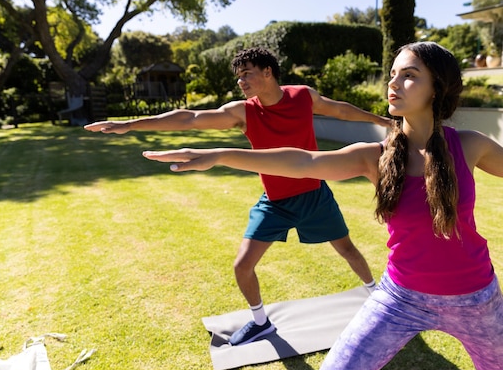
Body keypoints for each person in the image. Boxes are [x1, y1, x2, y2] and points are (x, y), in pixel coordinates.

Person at [141, 41, 503, 370]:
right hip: (400, 298)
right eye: (393, 75)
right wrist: (219, 153)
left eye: (409, 76)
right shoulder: (377, 155)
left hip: (476, 300)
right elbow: (304, 162)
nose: (394, 83)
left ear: (438, 87)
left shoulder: (468, 146)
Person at [84, 47, 391, 346]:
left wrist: (381, 121)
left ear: (268, 72)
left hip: (314, 196)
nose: (240, 81)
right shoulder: (243, 112)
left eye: (247, 74)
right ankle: (261, 323)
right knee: (242, 266)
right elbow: (189, 118)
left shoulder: (302, 97)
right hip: (274, 202)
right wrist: (129, 125)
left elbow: (339, 109)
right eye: (238, 76)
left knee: (348, 250)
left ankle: (376, 298)